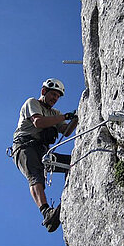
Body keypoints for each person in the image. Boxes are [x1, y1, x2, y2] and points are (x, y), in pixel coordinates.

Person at [12, 78, 78, 232]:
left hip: (42, 150)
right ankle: (47, 213)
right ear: (44, 92)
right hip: (24, 146)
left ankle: (71, 194)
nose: (55, 99)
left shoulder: (54, 113)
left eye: (57, 97)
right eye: (53, 95)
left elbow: (66, 131)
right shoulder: (32, 103)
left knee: (72, 162)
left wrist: (76, 118)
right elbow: (38, 123)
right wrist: (66, 117)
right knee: (35, 176)